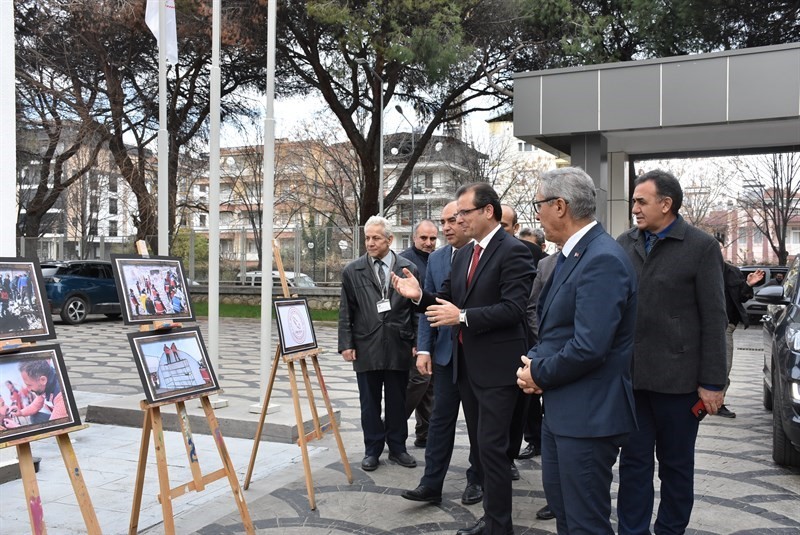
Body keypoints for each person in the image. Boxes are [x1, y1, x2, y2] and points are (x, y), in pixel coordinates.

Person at [392, 182, 534, 535]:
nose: (458, 219)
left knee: (494, 451)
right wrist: (419, 296)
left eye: (464, 213)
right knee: (485, 449)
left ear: (488, 211)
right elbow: (447, 298)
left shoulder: (513, 251)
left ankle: (499, 525)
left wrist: (464, 317)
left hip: (499, 371)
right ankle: (493, 519)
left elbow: (514, 309)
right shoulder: (468, 253)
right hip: (467, 369)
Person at [516, 167, 638, 534]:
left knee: (586, 523)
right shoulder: (572, 255)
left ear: (560, 206)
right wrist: (537, 361)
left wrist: (539, 373)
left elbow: (589, 346)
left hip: (588, 418)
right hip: (564, 412)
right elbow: (558, 328)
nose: (535, 213)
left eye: (538, 204)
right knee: (566, 516)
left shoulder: (601, 258)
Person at [616, 169, 728, 535]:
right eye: (633, 200)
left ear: (666, 204)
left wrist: (713, 382)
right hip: (632, 381)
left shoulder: (700, 246)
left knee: (676, 467)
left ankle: (670, 530)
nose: (634, 208)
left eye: (640, 201)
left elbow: (715, 318)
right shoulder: (624, 243)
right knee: (633, 463)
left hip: (679, 384)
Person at [401, 201, 483, 506]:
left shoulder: (484, 255)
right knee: (439, 422)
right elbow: (428, 310)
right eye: (444, 221)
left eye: (453, 220)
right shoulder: (436, 260)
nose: (447, 227)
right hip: (447, 356)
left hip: (477, 356)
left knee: (478, 426)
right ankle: (431, 483)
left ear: (466, 220)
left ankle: (478, 479)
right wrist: (424, 348)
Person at [338, 216, 419, 472]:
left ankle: (398, 448)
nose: (370, 243)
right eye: (367, 238)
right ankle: (372, 449)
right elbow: (346, 310)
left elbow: (416, 309)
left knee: (397, 400)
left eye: (375, 238)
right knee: (369, 402)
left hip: (398, 343)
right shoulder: (353, 270)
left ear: (389, 239)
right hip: (366, 344)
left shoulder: (408, 268)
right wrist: (346, 344)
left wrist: (418, 341)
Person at [499, 204, 536, 482]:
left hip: (523, 345)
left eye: (505, 225)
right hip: (486, 351)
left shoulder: (529, 254)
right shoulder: (470, 255)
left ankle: (509, 456)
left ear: (514, 227)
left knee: (518, 410)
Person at [400, 219, 439, 448]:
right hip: (415, 336)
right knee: (419, 380)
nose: (428, 242)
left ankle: (425, 433)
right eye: (423, 238)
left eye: (433, 238)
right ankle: (393, 424)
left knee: (429, 386)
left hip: (434, 332)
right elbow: (406, 307)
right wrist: (416, 339)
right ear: (414, 237)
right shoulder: (405, 262)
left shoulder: (437, 259)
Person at [718, 237, 764, 418]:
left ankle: (717, 402)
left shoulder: (732, 272)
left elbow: (742, 297)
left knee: (724, 365)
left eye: (719, 249)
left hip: (725, 326)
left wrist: (748, 284)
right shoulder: (697, 270)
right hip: (698, 326)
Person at [13, 359, 68, 424]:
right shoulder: (44, 385)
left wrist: (17, 428)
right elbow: (36, 405)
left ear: (43, 380)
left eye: (29, 385)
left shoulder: (61, 394)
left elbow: (54, 425)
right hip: (57, 416)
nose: (28, 389)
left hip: (63, 420)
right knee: (34, 417)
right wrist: (21, 412)